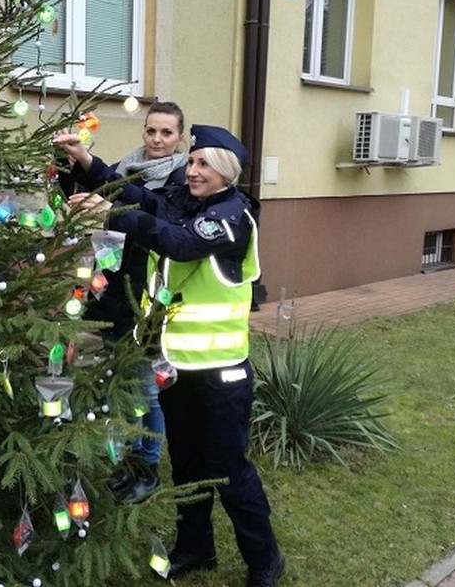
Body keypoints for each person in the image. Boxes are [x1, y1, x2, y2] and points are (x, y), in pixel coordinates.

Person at [53, 124, 285, 587]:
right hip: (177, 367)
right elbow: (146, 201)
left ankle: (265, 561)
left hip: (222, 375)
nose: (191, 170)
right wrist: (85, 162)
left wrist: (110, 213)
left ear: (224, 173)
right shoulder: (187, 203)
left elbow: (176, 242)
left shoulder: (231, 217)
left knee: (228, 471)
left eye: (202, 164)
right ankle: (196, 547)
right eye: (192, 161)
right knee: (186, 466)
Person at [58, 101, 187, 504]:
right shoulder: (126, 168)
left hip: (150, 295)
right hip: (113, 286)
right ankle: (128, 460)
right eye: (151, 131)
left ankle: (148, 465)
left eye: (167, 132)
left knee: (146, 387)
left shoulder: (182, 179)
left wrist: (107, 202)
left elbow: (150, 214)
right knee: (120, 381)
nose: (157, 140)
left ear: (180, 137)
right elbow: (99, 189)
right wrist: (70, 165)